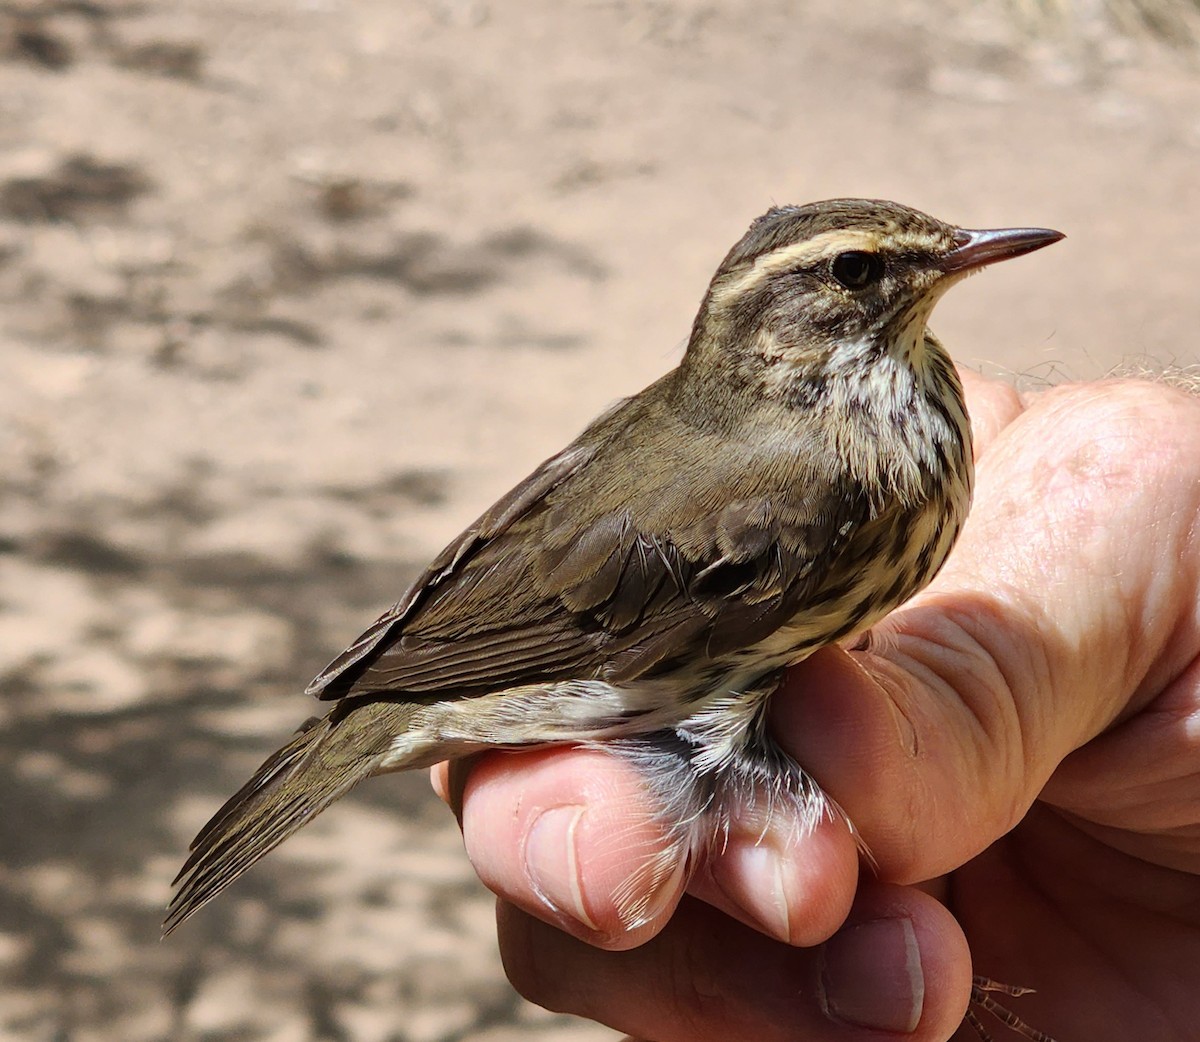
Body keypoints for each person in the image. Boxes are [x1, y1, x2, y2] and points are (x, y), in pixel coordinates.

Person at [434, 372, 1200, 1042]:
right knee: (745, 855)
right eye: (856, 272)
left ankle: (933, 990)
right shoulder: (812, 480)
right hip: (576, 676)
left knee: (772, 872)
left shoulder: (871, 434)